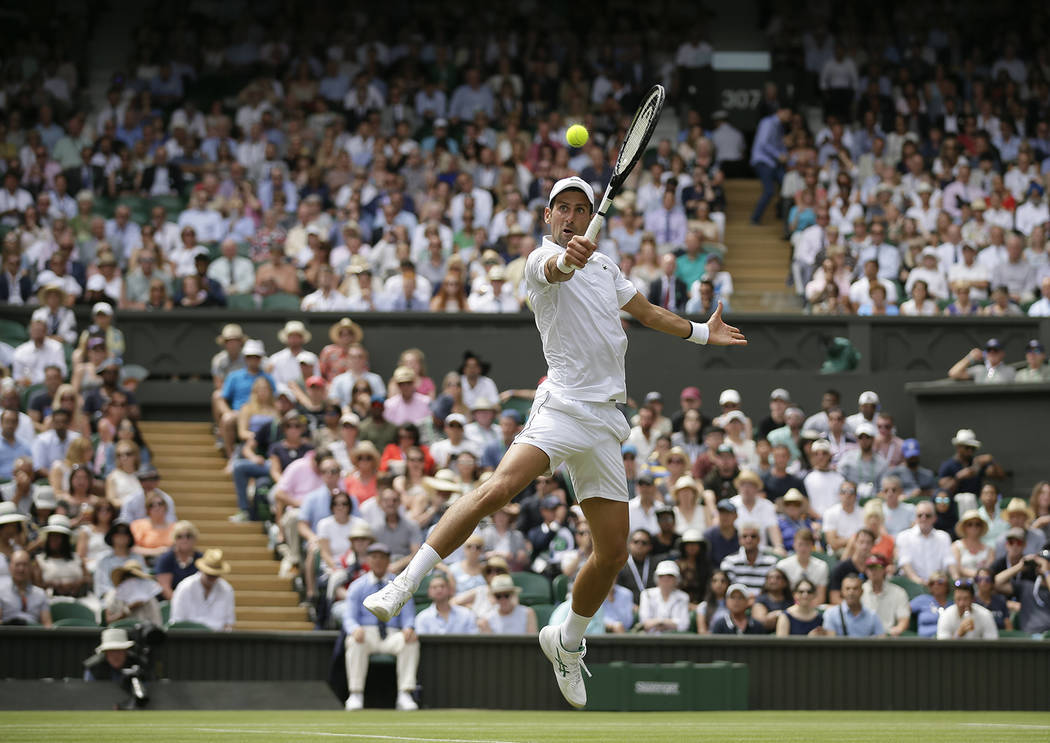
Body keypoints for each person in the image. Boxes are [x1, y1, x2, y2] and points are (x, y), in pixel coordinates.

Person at [360, 175, 746, 709]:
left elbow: (650, 314)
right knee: (499, 489)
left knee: (611, 554)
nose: (570, 216)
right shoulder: (538, 264)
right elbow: (556, 269)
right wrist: (569, 258)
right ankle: (404, 583)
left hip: (607, 422)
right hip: (563, 407)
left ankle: (566, 642)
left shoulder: (608, 267)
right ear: (548, 217)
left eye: (579, 209)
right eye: (561, 208)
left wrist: (704, 333)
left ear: (590, 216)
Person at [343, 542, 419, 711]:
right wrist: (355, 629)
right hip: (366, 633)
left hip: (393, 634)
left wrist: (409, 628)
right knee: (354, 641)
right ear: (368, 560)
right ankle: (355, 694)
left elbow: (408, 614)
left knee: (411, 641)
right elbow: (349, 616)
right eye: (374, 557)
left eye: (382, 557)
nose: (378, 561)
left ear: (388, 560)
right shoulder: (357, 586)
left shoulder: (400, 585)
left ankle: (405, 694)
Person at [169, 548, 236, 631]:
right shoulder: (185, 587)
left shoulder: (227, 589)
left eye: (215, 576)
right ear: (201, 570)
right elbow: (177, 621)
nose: (211, 579)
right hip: (189, 638)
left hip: (217, 639)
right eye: (209, 575)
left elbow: (228, 624)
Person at [896, 500, 954, 583]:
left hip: (939, 584)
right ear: (915, 518)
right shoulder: (904, 536)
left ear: (935, 518)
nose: (923, 518)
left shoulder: (943, 537)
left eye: (928, 515)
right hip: (914, 585)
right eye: (920, 515)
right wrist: (919, 582)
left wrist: (956, 580)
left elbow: (949, 562)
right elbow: (905, 563)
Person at [719, 522, 778, 595]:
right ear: (739, 539)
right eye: (744, 536)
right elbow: (727, 590)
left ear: (759, 539)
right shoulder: (729, 562)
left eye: (753, 536)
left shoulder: (771, 562)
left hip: (763, 603)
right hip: (737, 603)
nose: (749, 539)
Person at [859, 553, 910, 637]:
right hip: (865, 637)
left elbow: (903, 619)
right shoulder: (859, 591)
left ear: (884, 569)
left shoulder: (898, 592)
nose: (873, 571)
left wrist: (897, 630)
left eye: (877, 567)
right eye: (870, 567)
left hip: (889, 638)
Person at [637, 560, 690, 634]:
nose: (666, 579)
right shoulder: (646, 594)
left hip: (675, 640)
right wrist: (670, 623)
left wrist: (658, 622)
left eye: (670, 576)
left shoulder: (683, 597)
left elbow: (684, 625)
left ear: (676, 579)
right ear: (657, 578)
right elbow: (645, 623)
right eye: (661, 576)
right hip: (650, 639)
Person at [776, 528, 828, 604]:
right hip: (788, 606)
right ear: (794, 545)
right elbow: (780, 595)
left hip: (812, 608)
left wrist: (804, 608)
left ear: (812, 546)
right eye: (800, 544)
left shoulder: (822, 566)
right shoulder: (782, 566)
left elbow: (820, 597)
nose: (803, 549)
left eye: (807, 545)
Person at [0, 549, 52, 625]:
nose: (21, 569)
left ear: (31, 568)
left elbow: (47, 624)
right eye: (17, 565)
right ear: (10, 567)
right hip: (8, 634)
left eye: (25, 565)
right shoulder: (1, 593)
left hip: (33, 634)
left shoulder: (40, 594)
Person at [153, 521, 202, 600]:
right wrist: (180, 604)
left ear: (194, 538)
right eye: (179, 536)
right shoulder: (166, 558)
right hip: (170, 603)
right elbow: (165, 588)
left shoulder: (201, 559)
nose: (184, 539)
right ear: (174, 539)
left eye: (188, 536)